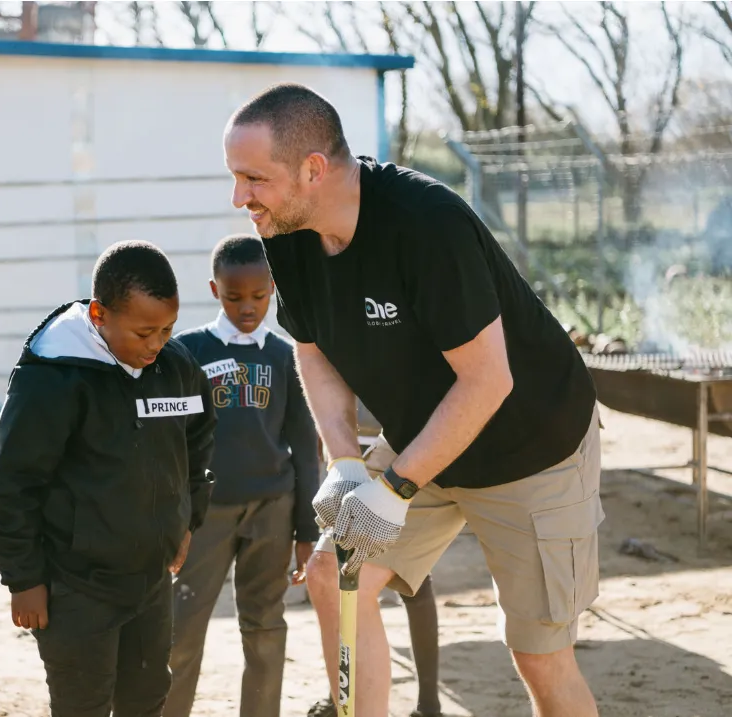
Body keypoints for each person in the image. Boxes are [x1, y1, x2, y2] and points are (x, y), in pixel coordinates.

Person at [223, 83, 602, 717]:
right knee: (333, 576)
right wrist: (346, 465)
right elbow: (311, 350)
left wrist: (394, 488)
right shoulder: (286, 229)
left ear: (313, 170)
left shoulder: (426, 224)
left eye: (253, 178)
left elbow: (488, 382)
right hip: (430, 434)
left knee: (538, 655)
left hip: (530, 445)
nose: (240, 198)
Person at [0, 240, 217, 717]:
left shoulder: (175, 366)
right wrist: (23, 579)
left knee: (146, 700)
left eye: (167, 329)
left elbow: (199, 440)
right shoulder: (52, 381)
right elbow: (10, 485)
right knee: (83, 705)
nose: (156, 344)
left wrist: (188, 518)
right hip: (75, 587)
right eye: (145, 331)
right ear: (99, 316)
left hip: (149, 581)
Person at [163, 234, 320, 717]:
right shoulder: (186, 352)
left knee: (266, 630)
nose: (247, 307)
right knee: (181, 631)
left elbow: (304, 447)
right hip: (204, 516)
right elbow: (171, 446)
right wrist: (173, 521)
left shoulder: (287, 356)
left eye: (258, 295)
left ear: (273, 287)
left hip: (271, 510)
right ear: (215, 291)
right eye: (234, 297)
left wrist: (307, 529)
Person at [306, 403, 443, 717]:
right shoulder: (334, 376)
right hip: (355, 471)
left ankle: (428, 702)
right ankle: (338, 696)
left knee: (416, 587)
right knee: (337, 578)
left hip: (410, 461)